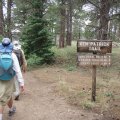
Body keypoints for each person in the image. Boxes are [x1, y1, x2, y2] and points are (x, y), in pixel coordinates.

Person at [0, 38, 24, 120]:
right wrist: (21, 83)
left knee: (9, 94)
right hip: (9, 79)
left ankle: (11, 109)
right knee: (1, 99)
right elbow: (18, 70)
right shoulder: (12, 55)